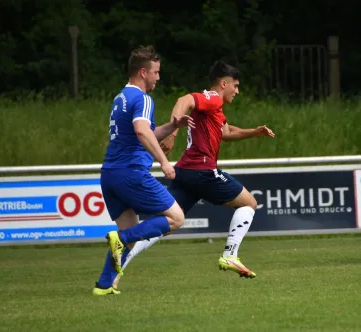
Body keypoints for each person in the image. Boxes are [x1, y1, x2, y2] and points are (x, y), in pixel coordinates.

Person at [114, 60, 275, 283]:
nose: (237, 91)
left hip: (185, 171)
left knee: (164, 224)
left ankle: (121, 258)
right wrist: (172, 133)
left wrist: (254, 132)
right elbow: (184, 100)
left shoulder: (215, 109)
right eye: (235, 86)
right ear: (224, 83)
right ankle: (230, 255)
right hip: (202, 170)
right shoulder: (212, 97)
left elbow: (227, 131)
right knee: (249, 203)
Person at [92, 45, 195, 296]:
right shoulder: (143, 98)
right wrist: (164, 161)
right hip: (132, 172)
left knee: (129, 231)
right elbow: (141, 131)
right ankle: (122, 240)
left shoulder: (121, 98)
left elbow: (144, 132)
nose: (158, 78)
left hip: (110, 174)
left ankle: (105, 285)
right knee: (176, 218)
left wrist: (172, 126)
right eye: (156, 72)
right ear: (143, 72)